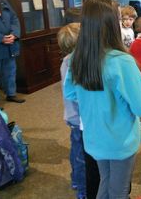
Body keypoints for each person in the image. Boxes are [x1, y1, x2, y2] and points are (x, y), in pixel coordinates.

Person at [63, 0, 141, 199]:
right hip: (120, 140)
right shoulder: (122, 61)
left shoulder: (77, 57)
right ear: (112, 24)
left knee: (106, 181)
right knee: (118, 190)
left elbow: (70, 93)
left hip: (94, 137)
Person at [57, 22, 86, 199]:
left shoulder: (67, 61)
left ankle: (77, 180)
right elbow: (78, 95)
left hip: (73, 117)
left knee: (76, 150)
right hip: (79, 117)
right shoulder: (75, 63)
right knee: (81, 154)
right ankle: (82, 188)